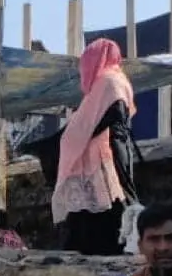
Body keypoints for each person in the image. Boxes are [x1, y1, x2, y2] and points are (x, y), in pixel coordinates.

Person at [52, 38, 140, 256]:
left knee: (106, 202)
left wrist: (82, 133)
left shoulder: (107, 82)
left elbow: (108, 116)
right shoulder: (117, 79)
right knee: (112, 200)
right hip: (114, 146)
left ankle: (112, 247)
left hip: (105, 150)